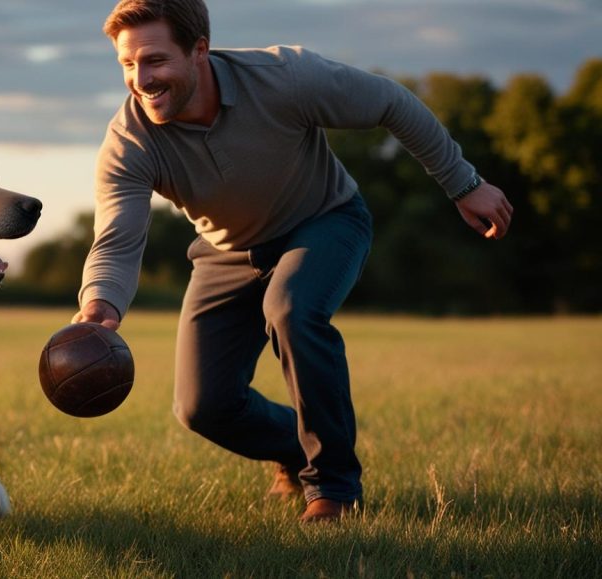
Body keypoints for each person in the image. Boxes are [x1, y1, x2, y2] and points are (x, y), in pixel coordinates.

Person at [72, 0, 514, 522]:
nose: (140, 80)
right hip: (227, 252)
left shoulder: (284, 77)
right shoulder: (130, 140)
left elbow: (391, 102)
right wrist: (100, 307)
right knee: (202, 407)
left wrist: (464, 183)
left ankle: (333, 488)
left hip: (323, 221)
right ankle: (295, 448)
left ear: (199, 51)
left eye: (155, 61)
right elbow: (119, 239)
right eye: (127, 64)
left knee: (292, 307)